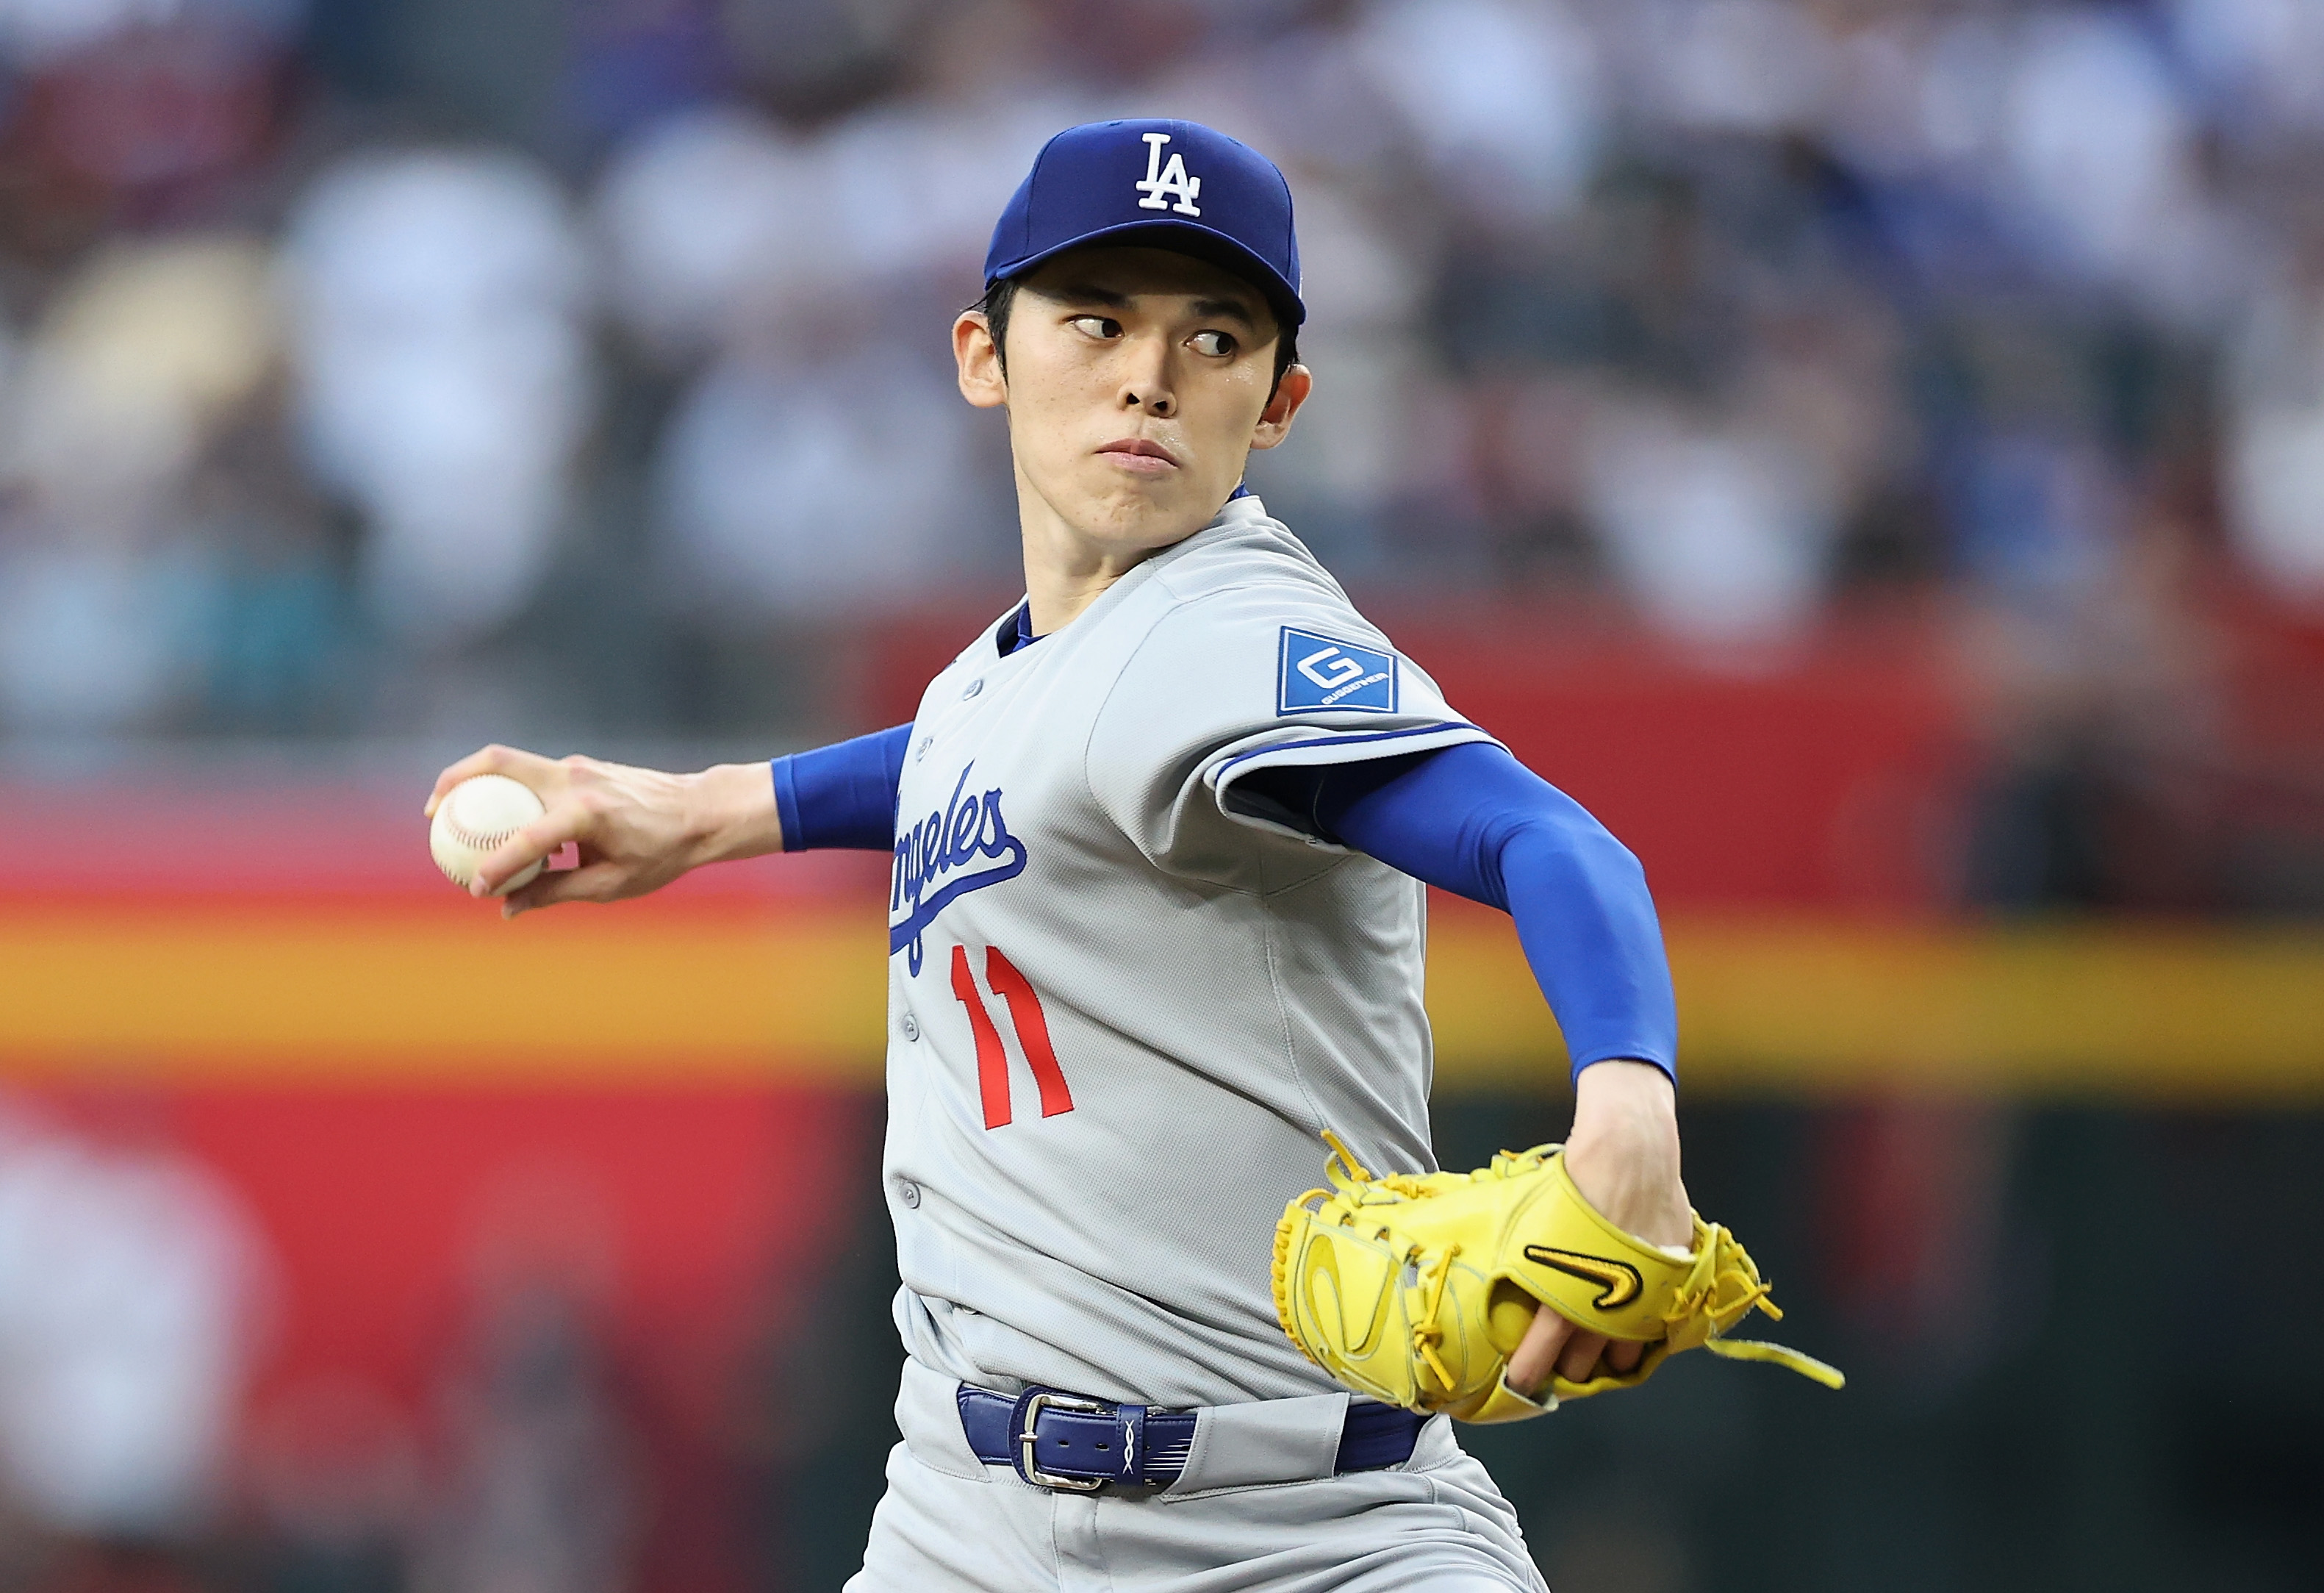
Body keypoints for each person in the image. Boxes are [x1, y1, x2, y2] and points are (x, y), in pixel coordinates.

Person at [427, 119, 1686, 1592]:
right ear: (984, 355)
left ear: (1278, 402)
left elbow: (1546, 838)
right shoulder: (1014, 670)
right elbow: (989, 751)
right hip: (965, 1522)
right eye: (1095, 321)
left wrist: (1627, 1100)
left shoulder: (1237, 631)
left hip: (1304, 1533)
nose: (1148, 376)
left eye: (1212, 337)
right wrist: (717, 811)